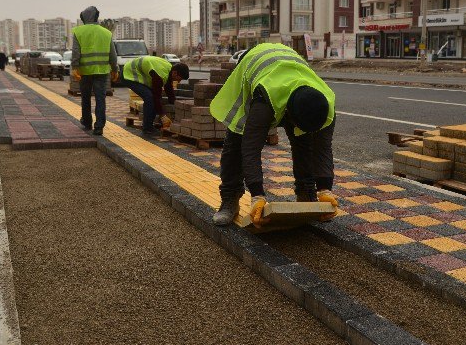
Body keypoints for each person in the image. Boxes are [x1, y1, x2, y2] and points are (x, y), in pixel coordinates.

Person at [209, 43, 339, 227]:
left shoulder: (325, 104)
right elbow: (251, 149)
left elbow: (322, 149)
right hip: (254, 72)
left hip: (288, 73)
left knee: (305, 144)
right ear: (288, 114)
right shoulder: (264, 104)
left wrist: (325, 189)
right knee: (236, 142)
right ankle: (229, 199)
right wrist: (257, 195)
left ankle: (307, 194)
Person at [71, 6, 118, 136]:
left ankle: (87, 122)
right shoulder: (106, 33)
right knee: (100, 98)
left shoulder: (78, 31)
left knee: (85, 97)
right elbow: (113, 55)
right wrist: (115, 69)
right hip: (102, 72)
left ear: (85, 17)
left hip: (84, 72)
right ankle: (99, 127)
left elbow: (76, 52)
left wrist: (75, 67)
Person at [117, 56, 189, 134]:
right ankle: (147, 128)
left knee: (153, 97)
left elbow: (168, 88)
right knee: (149, 98)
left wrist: (175, 103)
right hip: (128, 75)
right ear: (175, 73)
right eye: (179, 78)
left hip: (134, 72)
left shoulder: (168, 69)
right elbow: (156, 97)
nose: (179, 81)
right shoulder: (160, 75)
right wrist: (162, 116)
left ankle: (149, 124)